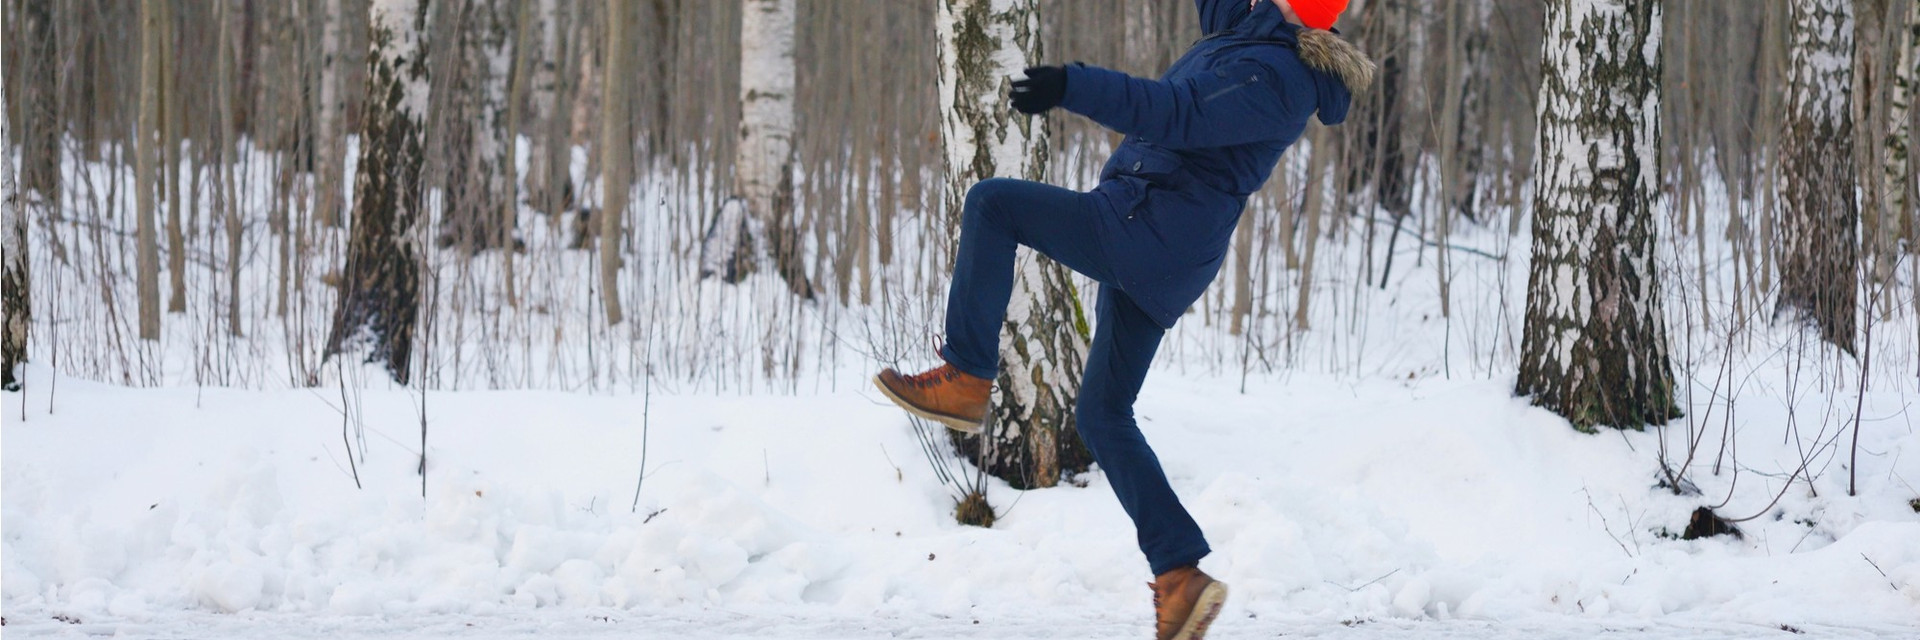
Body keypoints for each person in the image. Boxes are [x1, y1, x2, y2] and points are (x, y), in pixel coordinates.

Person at [875, 0, 1370, 638]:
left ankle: (968, 379)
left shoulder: (1277, 77)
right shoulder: (1248, 36)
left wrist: (1072, 85)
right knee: (1103, 415)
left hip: (1149, 228)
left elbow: (1177, 113)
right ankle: (1180, 576)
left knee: (993, 204)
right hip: (1160, 233)